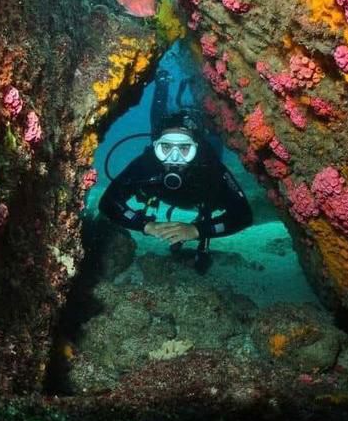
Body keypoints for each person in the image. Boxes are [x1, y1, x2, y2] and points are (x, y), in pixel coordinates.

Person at [99, 71, 252, 273]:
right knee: (158, 124)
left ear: (196, 150)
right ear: (157, 148)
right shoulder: (148, 163)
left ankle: (205, 91)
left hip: (204, 175)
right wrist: (145, 225)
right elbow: (108, 203)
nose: (174, 157)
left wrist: (196, 230)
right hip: (164, 154)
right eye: (165, 147)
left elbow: (243, 215)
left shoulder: (210, 167)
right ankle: (162, 85)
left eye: (184, 148)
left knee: (214, 138)